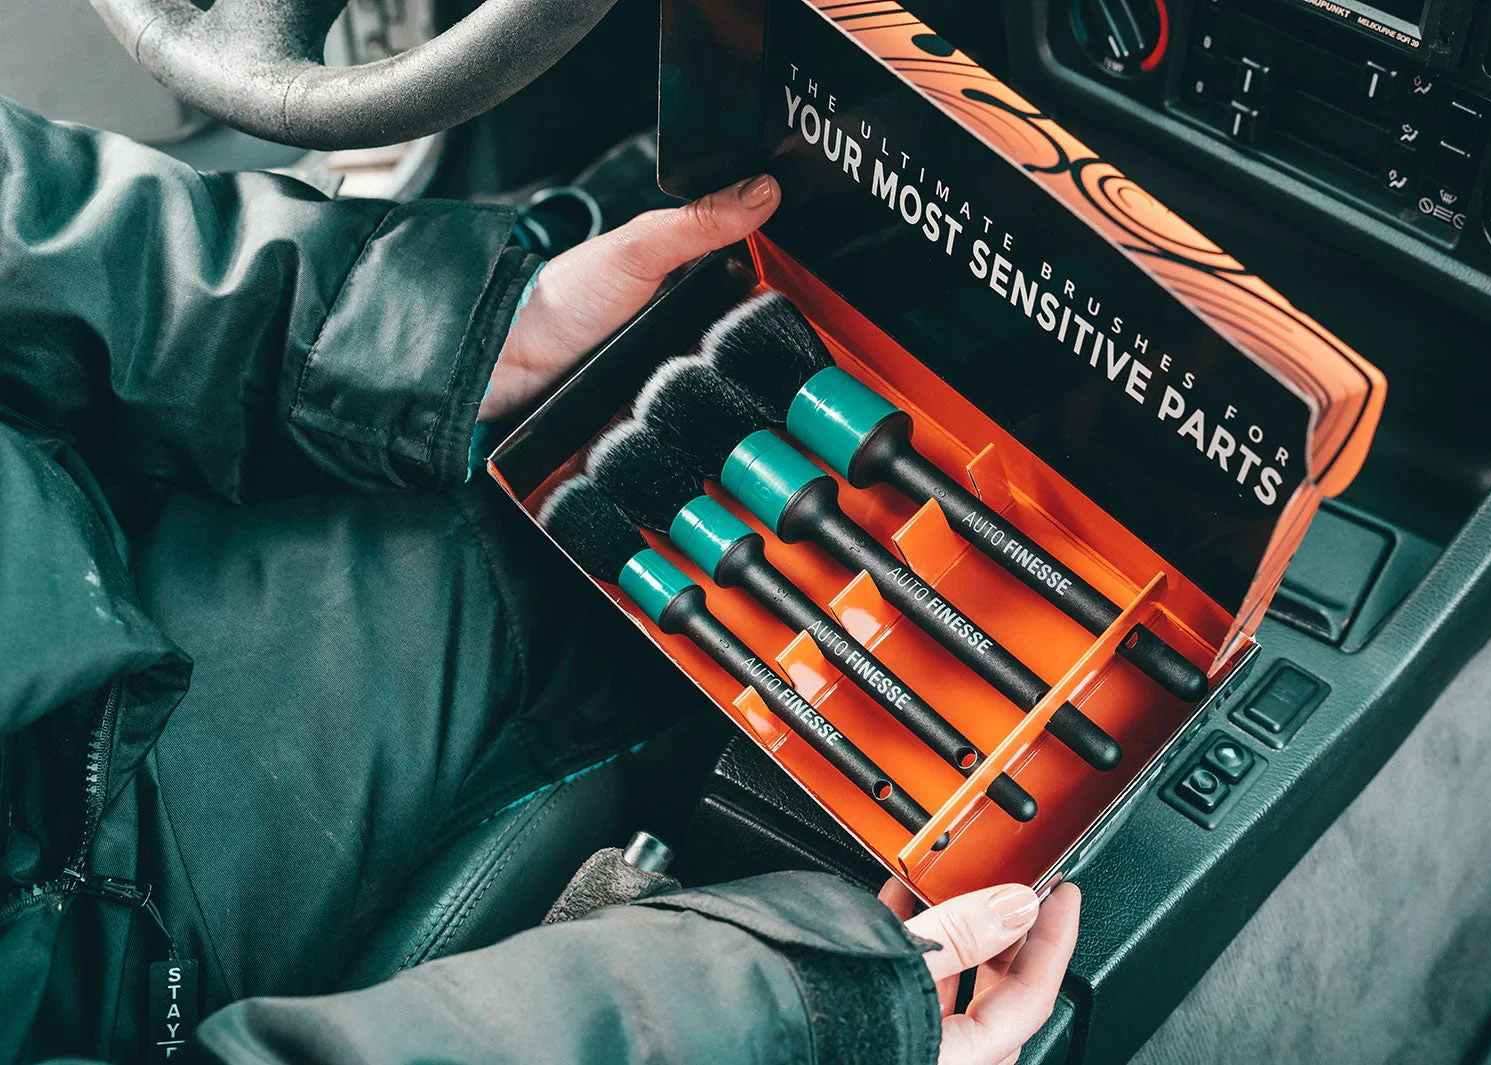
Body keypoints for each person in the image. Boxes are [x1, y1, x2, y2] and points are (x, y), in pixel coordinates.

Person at [0, 96, 1080, 1065]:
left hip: (115, 583)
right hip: (138, 966)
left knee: (642, 265)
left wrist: (440, 332)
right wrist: (778, 1018)